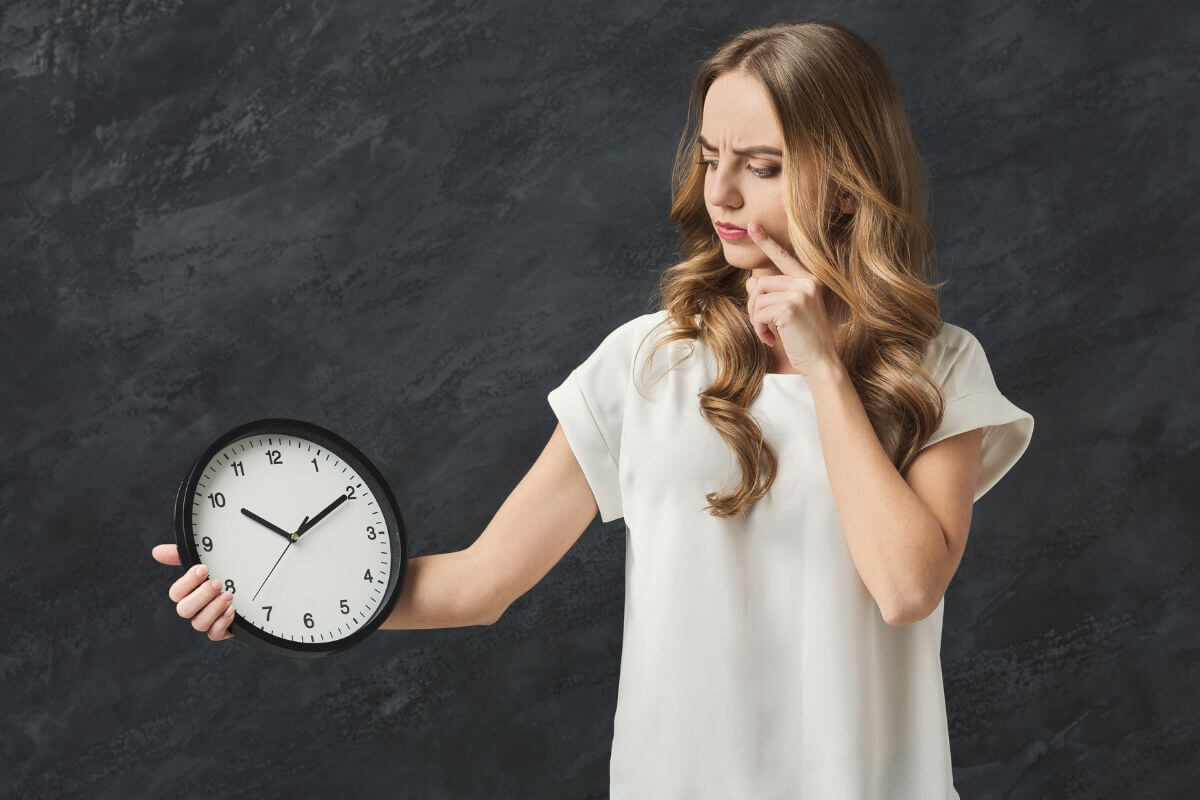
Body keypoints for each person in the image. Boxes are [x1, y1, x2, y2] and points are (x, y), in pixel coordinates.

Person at [153, 18, 1034, 799]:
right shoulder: (645, 362)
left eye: (762, 167)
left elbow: (908, 587)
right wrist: (270, 594)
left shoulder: (938, 368)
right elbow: (480, 583)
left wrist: (824, 371)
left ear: (847, 183)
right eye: (712, 158)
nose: (721, 195)